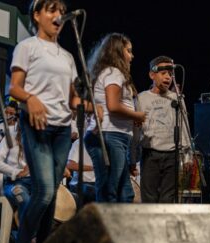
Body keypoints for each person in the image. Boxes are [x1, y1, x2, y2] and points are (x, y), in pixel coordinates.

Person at [8, 0, 82, 243]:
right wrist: (31, 98)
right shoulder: (27, 47)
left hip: (62, 129)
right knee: (45, 192)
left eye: (61, 11)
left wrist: (90, 105)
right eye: (52, 10)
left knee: (51, 199)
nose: (59, 15)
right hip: (36, 124)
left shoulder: (69, 56)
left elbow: (72, 98)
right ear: (37, 15)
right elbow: (14, 87)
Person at [84, 33, 145, 203]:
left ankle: (121, 228)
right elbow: (113, 105)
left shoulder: (108, 72)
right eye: (128, 51)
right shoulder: (114, 73)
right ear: (118, 51)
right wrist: (137, 115)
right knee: (110, 190)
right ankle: (105, 228)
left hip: (113, 135)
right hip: (111, 135)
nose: (132, 56)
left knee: (126, 193)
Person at [133, 55, 192, 203]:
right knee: (149, 198)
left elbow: (184, 127)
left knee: (168, 199)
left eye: (171, 74)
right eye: (163, 73)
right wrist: (132, 158)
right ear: (152, 75)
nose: (168, 77)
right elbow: (135, 130)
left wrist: (187, 156)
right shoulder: (141, 98)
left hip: (172, 154)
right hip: (150, 155)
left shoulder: (177, 98)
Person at [0, 124, 31, 223]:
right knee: (25, 200)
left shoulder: (40, 139)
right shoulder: (10, 137)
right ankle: (29, 236)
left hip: (36, 182)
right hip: (14, 183)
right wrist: (17, 172)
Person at [66, 139, 95, 204]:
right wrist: (95, 168)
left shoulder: (108, 142)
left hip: (99, 183)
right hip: (82, 183)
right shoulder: (79, 142)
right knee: (93, 192)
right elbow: (70, 165)